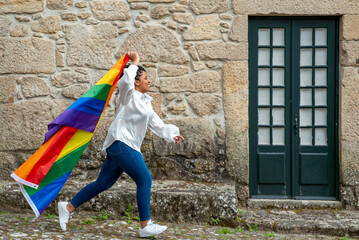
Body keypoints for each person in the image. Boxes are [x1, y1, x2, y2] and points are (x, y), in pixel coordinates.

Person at [57, 52, 184, 238]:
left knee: (103, 183)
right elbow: (124, 82)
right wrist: (135, 63)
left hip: (122, 146)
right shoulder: (127, 96)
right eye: (146, 78)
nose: (149, 81)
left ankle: (67, 207)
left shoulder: (146, 103)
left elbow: (158, 124)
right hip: (121, 143)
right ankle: (145, 225)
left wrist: (173, 135)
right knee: (145, 179)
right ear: (136, 82)